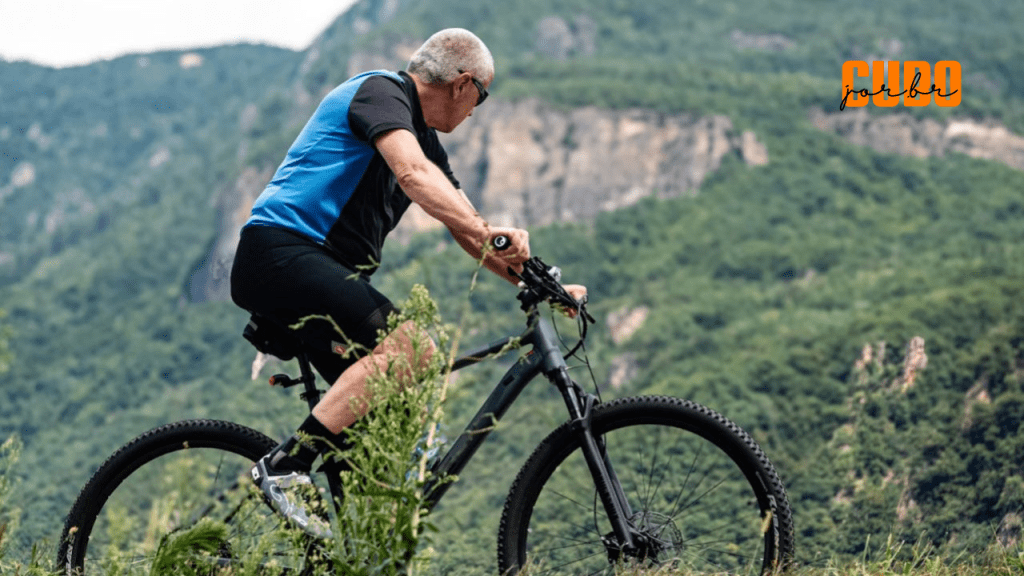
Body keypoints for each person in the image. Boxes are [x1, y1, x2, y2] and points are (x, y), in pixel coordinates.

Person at [230, 28, 586, 537]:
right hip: (280, 254)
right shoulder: (380, 92)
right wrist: (488, 232)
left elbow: (470, 229)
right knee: (412, 350)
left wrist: (543, 283)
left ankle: (349, 553)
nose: (475, 111)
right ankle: (286, 467)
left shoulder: (424, 141)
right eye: (481, 97)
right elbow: (413, 176)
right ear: (462, 84)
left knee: (381, 434)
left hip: (313, 271)